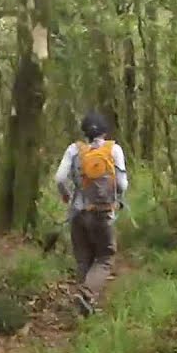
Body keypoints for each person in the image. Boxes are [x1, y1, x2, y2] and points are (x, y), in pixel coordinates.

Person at [55, 110, 128, 315]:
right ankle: (87, 294)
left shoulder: (74, 150)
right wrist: (116, 198)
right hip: (102, 213)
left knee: (83, 259)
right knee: (105, 257)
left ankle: (83, 306)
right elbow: (122, 184)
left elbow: (60, 178)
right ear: (104, 132)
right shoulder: (114, 150)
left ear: (85, 132)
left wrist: (66, 195)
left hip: (78, 213)